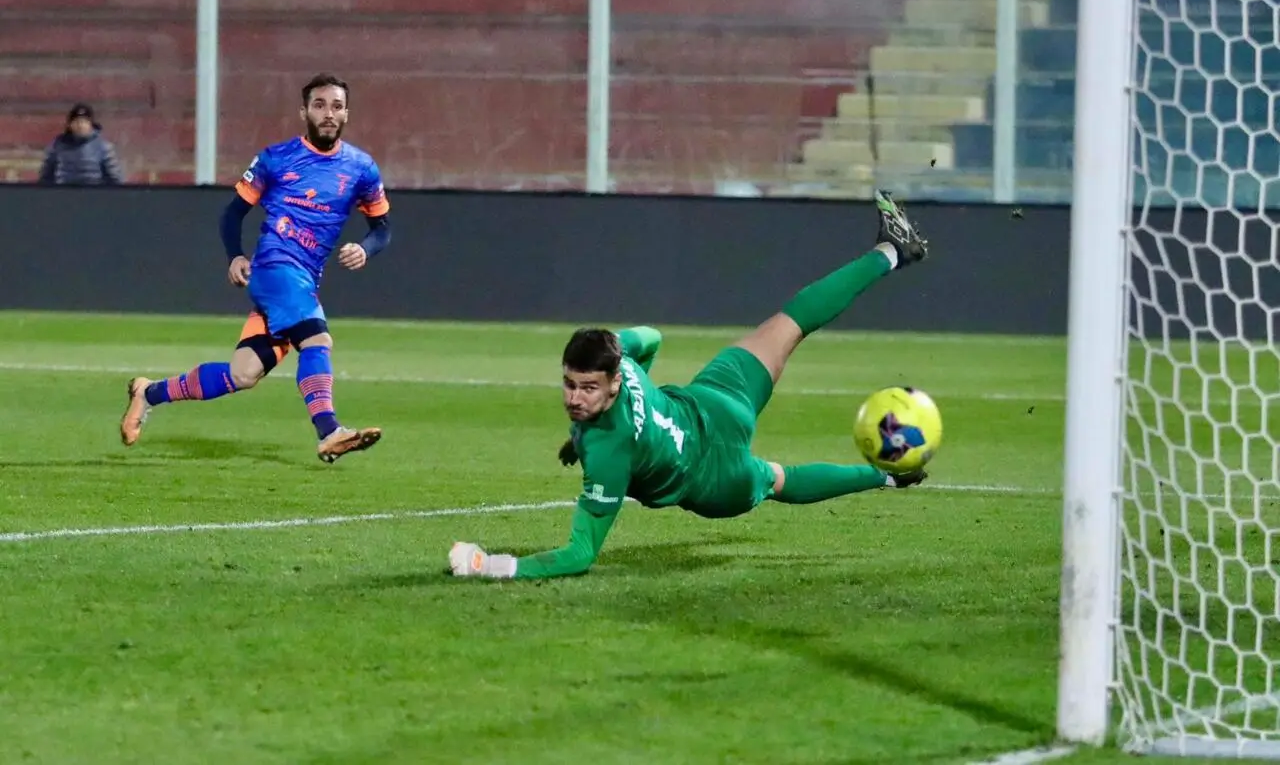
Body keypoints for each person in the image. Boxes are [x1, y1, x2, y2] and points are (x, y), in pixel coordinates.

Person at [449, 190, 931, 580]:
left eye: (588, 388)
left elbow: (578, 556)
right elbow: (653, 339)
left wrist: (491, 564)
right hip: (711, 400)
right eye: (570, 385)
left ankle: (887, 475)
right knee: (788, 325)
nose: (576, 398)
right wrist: (581, 433)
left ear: (614, 380)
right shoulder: (624, 354)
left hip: (715, 474)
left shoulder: (610, 451)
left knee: (778, 478)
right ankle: (890, 251)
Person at [120, 73, 390, 463]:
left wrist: (366, 249)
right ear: (304, 112)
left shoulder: (362, 169)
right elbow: (233, 214)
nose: (328, 113)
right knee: (317, 341)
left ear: (347, 113)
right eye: (319, 105)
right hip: (274, 269)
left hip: (304, 280)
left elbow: (382, 228)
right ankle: (329, 431)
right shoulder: (275, 159)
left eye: (336, 106)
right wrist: (235, 254)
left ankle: (150, 393)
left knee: (243, 373)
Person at [38, 103, 125, 186]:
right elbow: (45, 177)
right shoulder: (57, 146)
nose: (80, 125)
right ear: (70, 125)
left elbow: (115, 179)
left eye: (84, 121)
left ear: (91, 124)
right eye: (77, 122)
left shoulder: (103, 147)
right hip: (63, 195)